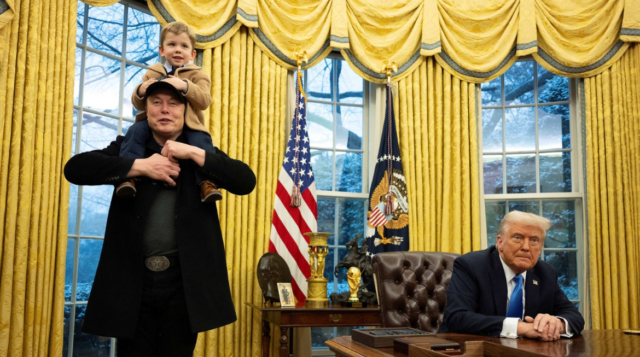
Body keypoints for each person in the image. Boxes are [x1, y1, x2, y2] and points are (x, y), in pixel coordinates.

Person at [64, 80, 256, 356]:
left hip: (184, 285)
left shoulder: (200, 151)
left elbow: (245, 181)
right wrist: (139, 165)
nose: (165, 109)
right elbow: (75, 169)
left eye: (173, 103)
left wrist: (192, 152)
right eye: (156, 102)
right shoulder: (127, 147)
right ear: (147, 110)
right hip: (132, 283)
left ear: (185, 111)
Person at [117, 21, 222, 203]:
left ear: (192, 54)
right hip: (155, 124)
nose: (178, 50)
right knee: (135, 132)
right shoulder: (153, 72)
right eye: (172, 45)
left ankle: (206, 183)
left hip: (189, 124)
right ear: (162, 50)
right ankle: (128, 177)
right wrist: (141, 90)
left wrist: (186, 86)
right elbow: (139, 103)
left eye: (184, 46)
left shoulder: (198, 75)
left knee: (201, 141)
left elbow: (205, 101)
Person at [438, 211, 584, 340]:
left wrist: (555, 324)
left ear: (540, 248)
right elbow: (457, 318)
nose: (526, 247)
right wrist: (522, 328)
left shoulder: (546, 273)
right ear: (500, 242)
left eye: (534, 240)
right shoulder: (471, 265)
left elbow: (574, 316)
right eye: (517, 238)